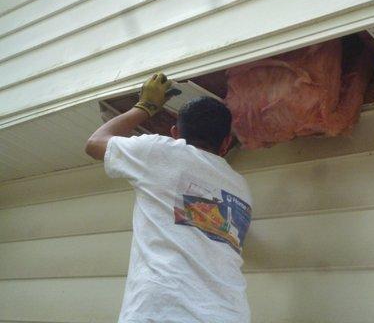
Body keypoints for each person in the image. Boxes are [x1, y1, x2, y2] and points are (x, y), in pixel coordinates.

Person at [85, 73, 252, 323]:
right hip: (230, 314)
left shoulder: (162, 152)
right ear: (226, 143)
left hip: (164, 311)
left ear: (175, 133)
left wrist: (145, 106)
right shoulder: (241, 188)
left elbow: (95, 143)